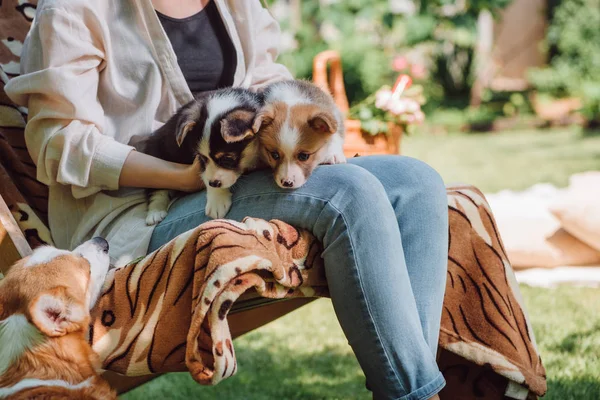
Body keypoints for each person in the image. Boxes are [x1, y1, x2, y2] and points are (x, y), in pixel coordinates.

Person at [5, 1, 448, 399]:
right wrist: (180, 177)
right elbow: (58, 141)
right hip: (134, 212)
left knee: (416, 182)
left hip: (236, 182)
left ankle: (410, 386)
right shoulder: (72, 10)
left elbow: (266, 84)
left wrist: (307, 136)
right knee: (350, 193)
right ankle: (414, 395)